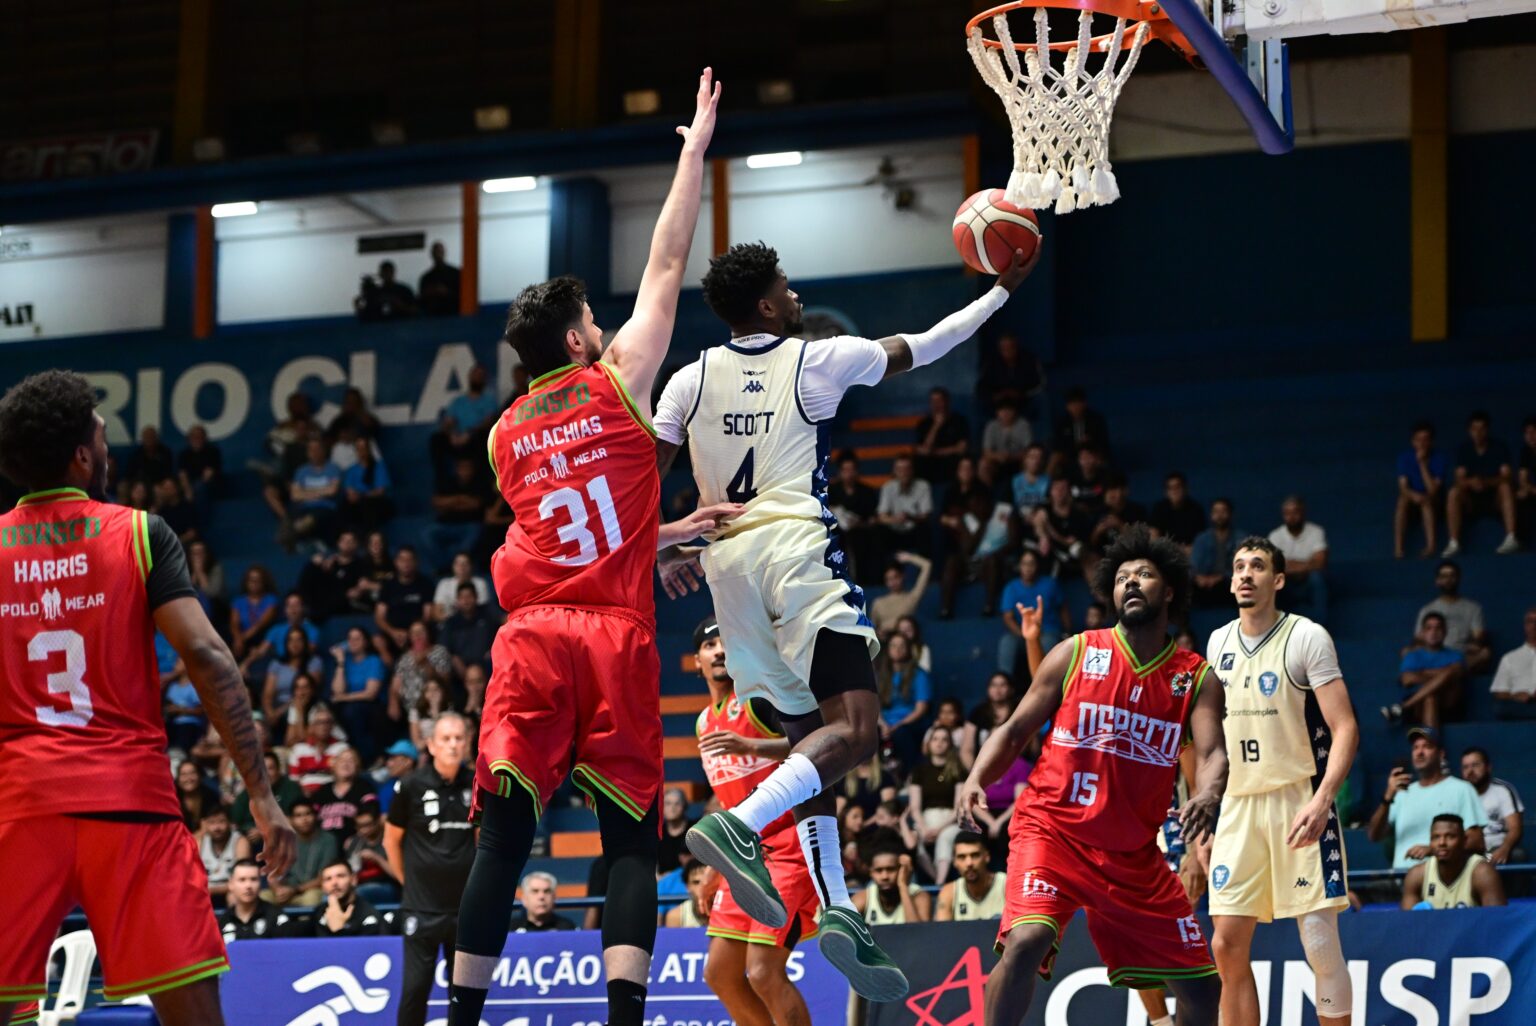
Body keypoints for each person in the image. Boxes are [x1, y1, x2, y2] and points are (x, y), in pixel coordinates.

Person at [652, 227, 1038, 998]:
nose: (795, 294)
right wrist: (1002, 291)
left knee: (812, 746)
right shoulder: (814, 359)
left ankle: (836, 906)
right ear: (768, 305)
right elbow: (928, 344)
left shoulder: (687, 380)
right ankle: (736, 826)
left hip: (729, 575)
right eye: (786, 287)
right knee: (858, 730)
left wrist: (667, 545)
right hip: (796, 557)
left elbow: (639, 483)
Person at [447, 79, 728, 1026]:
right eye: (594, 327)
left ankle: (463, 1017)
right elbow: (668, 260)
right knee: (630, 845)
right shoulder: (617, 381)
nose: (607, 331)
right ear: (576, 340)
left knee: (502, 841)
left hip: (532, 638)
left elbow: (563, 535)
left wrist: (661, 534)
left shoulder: (501, 437)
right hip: (613, 634)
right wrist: (693, 151)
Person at [0, 372, 294, 1026]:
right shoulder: (139, 534)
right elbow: (207, 656)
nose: (109, 447)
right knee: (194, 1013)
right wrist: (261, 794)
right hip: (130, 806)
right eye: (103, 435)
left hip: (19, 808)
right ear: (82, 456)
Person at [959, 526, 1227, 1026]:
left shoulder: (1195, 677)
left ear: (1169, 591)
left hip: (1133, 856)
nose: (1131, 583)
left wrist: (1209, 792)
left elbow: (1212, 753)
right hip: (1053, 833)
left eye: (1144, 575)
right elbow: (1014, 728)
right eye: (1122, 578)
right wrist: (976, 776)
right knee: (1027, 940)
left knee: (1203, 988)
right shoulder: (1077, 651)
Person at [1203, 535, 1360, 1026]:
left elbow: (1345, 726)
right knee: (1226, 944)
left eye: (1256, 566)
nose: (1245, 574)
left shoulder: (1307, 637)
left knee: (1319, 945)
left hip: (1298, 799)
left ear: (1278, 579)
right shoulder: (1217, 642)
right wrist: (1207, 815)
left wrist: (1323, 799)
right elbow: (1210, 739)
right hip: (1238, 804)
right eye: (1238, 567)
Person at [691, 615, 816, 1026]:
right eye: (709, 646)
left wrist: (751, 745)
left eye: (724, 643)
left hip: (788, 844)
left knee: (763, 972)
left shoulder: (759, 698)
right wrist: (715, 866)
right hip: (741, 855)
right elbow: (727, 798)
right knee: (720, 974)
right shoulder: (703, 723)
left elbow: (814, 744)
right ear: (697, 661)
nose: (719, 651)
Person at [390, 713, 476, 1026]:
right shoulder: (411, 785)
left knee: (463, 994)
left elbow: (482, 841)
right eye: (446, 739)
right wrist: (407, 881)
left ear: (467, 743)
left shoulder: (478, 783)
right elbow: (391, 840)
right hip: (421, 908)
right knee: (415, 989)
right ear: (431, 745)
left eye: (459, 738)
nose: (453, 745)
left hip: (464, 909)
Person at [1367, 727, 1487, 869]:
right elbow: (1374, 835)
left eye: (1427, 747)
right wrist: (1387, 797)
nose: (1420, 752)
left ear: (1441, 754)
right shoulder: (1401, 794)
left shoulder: (1462, 789)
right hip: (1402, 876)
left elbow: (1476, 841)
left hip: (1443, 877)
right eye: (1415, 748)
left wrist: (1433, 850)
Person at [1444, 410, 1519, 556]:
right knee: (1453, 492)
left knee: (1505, 487)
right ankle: (1453, 543)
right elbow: (1459, 478)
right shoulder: (1464, 449)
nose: (1478, 433)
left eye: (1482, 429)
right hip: (1471, 501)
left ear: (1487, 430)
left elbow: (1507, 477)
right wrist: (1471, 482)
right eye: (1474, 429)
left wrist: (1486, 482)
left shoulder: (1499, 447)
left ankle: (1511, 538)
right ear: (1469, 431)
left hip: (1495, 499)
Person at [1400, 815, 1507, 909]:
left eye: (1450, 837)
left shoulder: (1482, 873)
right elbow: (1408, 923)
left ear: (1464, 841)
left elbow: (1496, 921)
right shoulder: (1417, 875)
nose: (1442, 842)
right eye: (1436, 837)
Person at [1384, 612, 1466, 728]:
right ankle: (1429, 739)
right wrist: (1441, 676)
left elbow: (1455, 673)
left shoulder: (1456, 655)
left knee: (1447, 676)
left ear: (1445, 632)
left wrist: (1422, 673)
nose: (1433, 632)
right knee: (1430, 696)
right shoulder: (1412, 656)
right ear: (1422, 632)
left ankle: (1403, 707)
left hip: (1446, 703)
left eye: (1438, 628)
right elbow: (1407, 679)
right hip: (1417, 706)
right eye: (1429, 628)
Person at [906, 727, 965, 885]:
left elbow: (958, 807)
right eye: (935, 739)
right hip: (925, 819)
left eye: (944, 739)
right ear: (929, 743)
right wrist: (924, 828)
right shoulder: (919, 771)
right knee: (913, 838)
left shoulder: (958, 770)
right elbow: (915, 808)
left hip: (950, 820)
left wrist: (939, 829)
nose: (939, 743)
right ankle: (935, 878)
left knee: (945, 837)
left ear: (950, 744)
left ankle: (939, 883)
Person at [998, 549, 1067, 678]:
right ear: (1019, 566)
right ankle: (1004, 682)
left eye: (1031, 563)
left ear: (1037, 565)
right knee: (1007, 641)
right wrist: (1025, 635)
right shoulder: (1011, 587)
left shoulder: (1050, 584)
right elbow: (1007, 617)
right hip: (1022, 634)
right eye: (1024, 564)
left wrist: (1068, 631)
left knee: (1048, 643)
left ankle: (1048, 683)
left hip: (1048, 632)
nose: (1028, 568)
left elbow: (1063, 609)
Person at [1416, 560, 1492, 673]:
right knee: (1407, 652)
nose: (1448, 580)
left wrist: (1476, 644)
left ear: (1458, 579)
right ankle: (1450, 671)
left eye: (1452, 576)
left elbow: (1478, 636)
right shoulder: (1426, 609)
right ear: (1437, 581)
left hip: (1460, 654)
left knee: (1485, 653)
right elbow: (1419, 639)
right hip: (1434, 653)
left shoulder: (1473, 608)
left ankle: (1436, 672)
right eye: (1444, 576)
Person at [264, 799, 337, 908]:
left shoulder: (328, 840)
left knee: (311, 898)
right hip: (287, 891)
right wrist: (278, 890)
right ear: (290, 820)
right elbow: (272, 874)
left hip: (313, 890)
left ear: (315, 816)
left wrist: (295, 890)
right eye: (298, 816)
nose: (304, 819)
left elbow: (325, 876)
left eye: (308, 814)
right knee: (264, 896)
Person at [1267, 495, 1328, 622]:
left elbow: (1320, 563)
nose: (1291, 517)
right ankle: (1277, 625)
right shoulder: (1275, 536)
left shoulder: (1316, 532)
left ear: (1303, 513)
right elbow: (1274, 567)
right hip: (1286, 583)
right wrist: (1307, 564)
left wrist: (1289, 565)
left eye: (1295, 512)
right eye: (1287, 513)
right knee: (1273, 580)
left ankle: (1320, 625)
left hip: (1308, 581)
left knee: (1317, 578)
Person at [1460, 747, 1524, 865]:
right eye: (1466, 767)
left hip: (1498, 847)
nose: (1470, 771)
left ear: (1488, 767)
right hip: (1469, 850)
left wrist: (1504, 849)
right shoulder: (1458, 794)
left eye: (1475, 765)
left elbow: (1515, 829)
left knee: (1518, 854)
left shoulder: (1502, 790)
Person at [1395, 421, 1448, 558]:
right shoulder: (1404, 458)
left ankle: (1430, 547)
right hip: (1412, 497)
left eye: (1425, 439)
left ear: (1431, 441)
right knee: (1402, 501)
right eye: (1418, 440)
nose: (1422, 443)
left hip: (1433, 500)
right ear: (1413, 442)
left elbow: (1433, 490)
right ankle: (1398, 549)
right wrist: (1413, 495)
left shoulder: (1439, 458)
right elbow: (1403, 487)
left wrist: (1422, 464)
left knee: (1427, 502)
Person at [284, 437, 343, 549]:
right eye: (311, 449)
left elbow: (332, 491)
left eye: (317, 449)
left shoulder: (333, 469)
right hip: (305, 507)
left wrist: (306, 492)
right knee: (293, 510)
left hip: (325, 507)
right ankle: (302, 537)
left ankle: (298, 532)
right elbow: (295, 495)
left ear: (323, 451)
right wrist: (322, 491)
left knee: (316, 516)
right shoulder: (301, 471)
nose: (314, 453)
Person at [375, 546, 434, 658]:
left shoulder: (426, 584)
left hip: (417, 634)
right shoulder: (388, 585)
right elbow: (379, 617)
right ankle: (390, 667)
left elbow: (428, 615)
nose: (406, 563)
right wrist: (393, 632)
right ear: (396, 562)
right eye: (402, 560)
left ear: (416, 562)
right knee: (377, 640)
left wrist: (412, 634)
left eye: (409, 560)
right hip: (392, 634)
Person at [935, 832, 1006, 921]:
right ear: (954, 861)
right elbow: (941, 929)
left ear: (987, 856)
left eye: (975, 855)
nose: (969, 863)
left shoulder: (1007, 884)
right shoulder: (949, 892)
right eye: (962, 857)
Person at [305, 859, 386, 937]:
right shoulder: (318, 913)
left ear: (353, 879)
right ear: (322, 886)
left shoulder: (369, 915)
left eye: (340, 876)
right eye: (328, 879)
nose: (334, 883)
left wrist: (338, 930)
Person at [875, 455, 935, 558]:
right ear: (894, 471)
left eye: (907, 469)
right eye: (900, 469)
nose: (903, 473)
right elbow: (881, 516)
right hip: (894, 530)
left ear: (912, 470)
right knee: (879, 530)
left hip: (914, 529)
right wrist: (895, 519)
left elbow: (925, 516)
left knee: (925, 529)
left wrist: (910, 517)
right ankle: (888, 567)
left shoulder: (923, 486)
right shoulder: (888, 487)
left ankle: (924, 565)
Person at [313, 747, 377, 843]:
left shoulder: (364, 788)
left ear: (357, 766)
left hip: (354, 843)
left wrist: (357, 839)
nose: (346, 764)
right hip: (323, 844)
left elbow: (370, 817)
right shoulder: (323, 790)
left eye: (351, 761)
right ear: (334, 765)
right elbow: (311, 816)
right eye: (342, 760)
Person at [853, 846, 931, 924]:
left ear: (901, 870)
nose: (885, 876)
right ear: (871, 872)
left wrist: (903, 886)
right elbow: (846, 927)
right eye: (878, 870)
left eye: (890, 869)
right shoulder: (864, 897)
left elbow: (917, 930)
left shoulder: (919, 895)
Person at [218, 860, 293, 941]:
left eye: (254, 879)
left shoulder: (277, 918)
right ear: (231, 884)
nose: (248, 886)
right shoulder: (222, 922)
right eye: (242, 880)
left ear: (260, 883)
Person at [1190, 498, 1243, 607]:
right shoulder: (1202, 539)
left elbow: (1242, 567)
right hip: (1204, 586)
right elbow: (1193, 565)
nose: (1219, 515)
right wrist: (1199, 578)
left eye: (1223, 511)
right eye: (1216, 511)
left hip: (1228, 584)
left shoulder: (1240, 538)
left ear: (1230, 514)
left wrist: (1221, 577)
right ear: (1211, 515)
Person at [913, 387, 971, 483]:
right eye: (933, 401)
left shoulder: (959, 421)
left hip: (952, 462)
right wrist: (936, 426)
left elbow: (962, 449)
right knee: (918, 461)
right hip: (931, 465)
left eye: (939, 401)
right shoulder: (924, 424)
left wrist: (935, 452)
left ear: (947, 402)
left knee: (964, 461)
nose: (936, 405)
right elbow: (925, 450)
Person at [869, 552, 932, 637]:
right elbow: (871, 631)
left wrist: (910, 558)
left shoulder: (912, 598)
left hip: (907, 642)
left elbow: (927, 565)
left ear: (902, 576)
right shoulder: (878, 603)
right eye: (888, 579)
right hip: (885, 643)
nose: (893, 583)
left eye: (896, 577)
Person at [441, 583, 495, 681]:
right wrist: (454, 660)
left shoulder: (488, 618)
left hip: (486, 668)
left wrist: (492, 650)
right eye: (462, 597)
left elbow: (498, 639)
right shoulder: (450, 623)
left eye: (469, 596)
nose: (466, 600)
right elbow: (444, 648)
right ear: (457, 600)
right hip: (459, 673)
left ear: (476, 598)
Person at [341, 436, 395, 534]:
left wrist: (362, 495)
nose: (361, 451)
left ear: (368, 449)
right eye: (358, 449)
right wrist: (353, 495)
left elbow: (380, 491)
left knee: (367, 504)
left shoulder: (378, 467)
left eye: (363, 448)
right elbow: (349, 489)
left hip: (375, 502)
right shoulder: (351, 469)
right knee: (344, 505)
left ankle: (370, 535)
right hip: (357, 502)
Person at [200, 807, 251, 904]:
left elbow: (243, 876)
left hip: (231, 888)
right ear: (205, 824)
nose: (217, 827)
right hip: (205, 890)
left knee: (234, 897)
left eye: (221, 822)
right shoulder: (200, 841)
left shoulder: (240, 841)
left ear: (230, 823)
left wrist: (214, 890)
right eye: (212, 822)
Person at [1050, 386, 1111, 466]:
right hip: (1070, 455)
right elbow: (1058, 444)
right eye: (1072, 404)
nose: (1075, 407)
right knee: (1056, 456)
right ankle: (1047, 474)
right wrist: (1075, 444)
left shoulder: (1096, 420)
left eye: (1078, 403)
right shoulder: (1062, 422)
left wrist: (1089, 442)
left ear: (1084, 404)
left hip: (1091, 453)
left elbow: (1103, 442)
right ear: (1067, 406)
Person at [1149, 472, 1206, 550]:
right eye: (1170, 488)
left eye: (1178, 487)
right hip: (1164, 551)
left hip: (1189, 552)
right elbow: (1153, 535)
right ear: (1166, 492)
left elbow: (1200, 539)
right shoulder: (1159, 508)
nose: (1174, 491)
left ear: (1186, 489)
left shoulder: (1196, 510)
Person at [1491, 607, 1536, 703]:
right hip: (1519, 706)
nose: (1534, 626)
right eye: (1530, 622)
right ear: (1525, 626)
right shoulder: (1509, 658)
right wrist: (1514, 696)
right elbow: (1499, 691)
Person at [508, 871, 577, 932]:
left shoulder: (567, 927)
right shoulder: (510, 928)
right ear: (524, 898)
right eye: (535, 891)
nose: (541, 896)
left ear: (554, 897)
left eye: (547, 891)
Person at [433, 552, 491, 619]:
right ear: (453, 566)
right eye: (458, 564)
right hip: (449, 622)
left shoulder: (480, 584)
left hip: (475, 622)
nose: (462, 567)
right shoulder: (444, 584)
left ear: (471, 566)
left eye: (465, 564)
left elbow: (484, 610)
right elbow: (437, 612)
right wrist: (450, 622)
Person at [982, 398, 1032, 474]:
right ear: (997, 412)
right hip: (997, 460)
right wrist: (998, 456)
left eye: (1009, 410)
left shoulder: (1023, 425)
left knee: (1029, 461)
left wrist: (1012, 457)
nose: (1005, 413)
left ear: (1015, 411)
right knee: (984, 463)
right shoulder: (991, 426)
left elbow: (1029, 450)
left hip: (1017, 459)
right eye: (1002, 410)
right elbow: (986, 452)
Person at [657, 787, 696, 875]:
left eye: (677, 803)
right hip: (663, 881)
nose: (672, 808)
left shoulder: (695, 830)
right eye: (668, 803)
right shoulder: (656, 833)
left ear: (684, 806)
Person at [419, 241, 462, 317]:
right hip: (433, 315)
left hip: (453, 314)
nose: (438, 254)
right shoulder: (426, 278)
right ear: (432, 254)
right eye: (436, 252)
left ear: (444, 253)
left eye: (439, 252)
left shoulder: (456, 274)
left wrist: (447, 292)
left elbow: (463, 295)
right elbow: (422, 300)